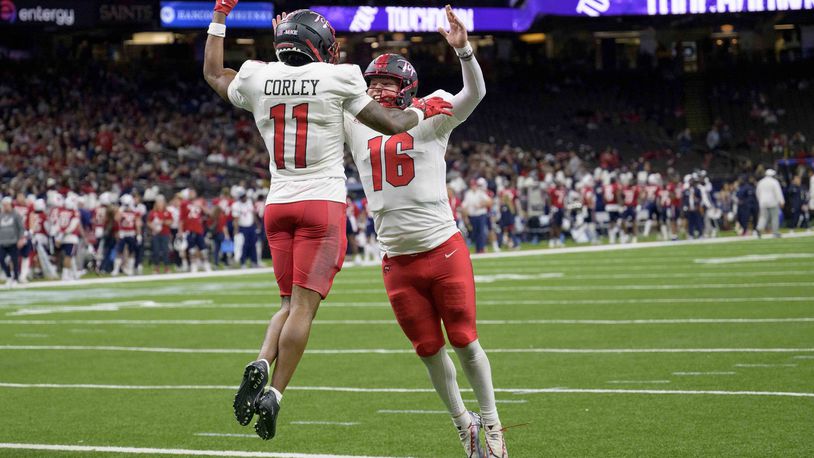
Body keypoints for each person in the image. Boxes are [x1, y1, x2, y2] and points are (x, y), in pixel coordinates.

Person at [202, 1, 453, 441]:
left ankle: (262, 358)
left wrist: (220, 16)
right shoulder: (339, 77)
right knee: (303, 309)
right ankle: (275, 393)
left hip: (277, 204)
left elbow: (214, 73)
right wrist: (424, 110)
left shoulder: (258, 76)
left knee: (285, 304)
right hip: (322, 203)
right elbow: (392, 123)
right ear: (321, 47)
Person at [343, 6, 507, 457]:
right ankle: (464, 425)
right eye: (372, 82)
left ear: (407, 87)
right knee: (428, 349)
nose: (376, 89)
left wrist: (464, 51)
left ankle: (492, 423)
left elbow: (474, 94)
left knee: (464, 338)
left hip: (441, 248)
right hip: (396, 258)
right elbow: (315, 97)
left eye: (387, 83)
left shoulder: (431, 111)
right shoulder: (353, 121)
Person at [0, 197, 26, 288]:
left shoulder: (16, 215)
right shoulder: (1, 215)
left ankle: (15, 278)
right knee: (1, 259)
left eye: (6, 205)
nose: (5, 207)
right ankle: (8, 276)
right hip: (2, 241)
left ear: (10, 205)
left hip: (13, 241)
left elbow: (21, 228)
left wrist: (21, 239)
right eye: (3, 205)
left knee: (15, 260)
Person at [231, 188, 259, 268]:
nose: (244, 198)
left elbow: (253, 214)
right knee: (243, 245)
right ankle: (243, 262)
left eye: (244, 196)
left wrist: (257, 224)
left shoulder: (249, 202)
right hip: (242, 227)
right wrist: (236, 230)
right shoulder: (236, 205)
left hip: (251, 226)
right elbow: (236, 219)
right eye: (242, 196)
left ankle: (254, 262)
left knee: (253, 245)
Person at [756, 168, 784, 238]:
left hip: (763, 202)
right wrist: (782, 201)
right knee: (775, 217)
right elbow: (778, 192)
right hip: (773, 202)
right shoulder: (774, 182)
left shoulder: (761, 182)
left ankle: (759, 228)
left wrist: (760, 200)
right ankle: (775, 232)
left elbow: (757, 193)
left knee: (763, 217)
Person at [147, 195, 173, 274]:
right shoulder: (152, 213)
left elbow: (171, 221)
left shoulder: (167, 212)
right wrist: (153, 227)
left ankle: (167, 267)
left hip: (165, 233)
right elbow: (148, 222)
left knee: (166, 250)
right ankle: (156, 268)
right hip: (156, 234)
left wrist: (163, 222)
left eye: (161, 202)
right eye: (159, 202)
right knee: (156, 251)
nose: (160, 204)